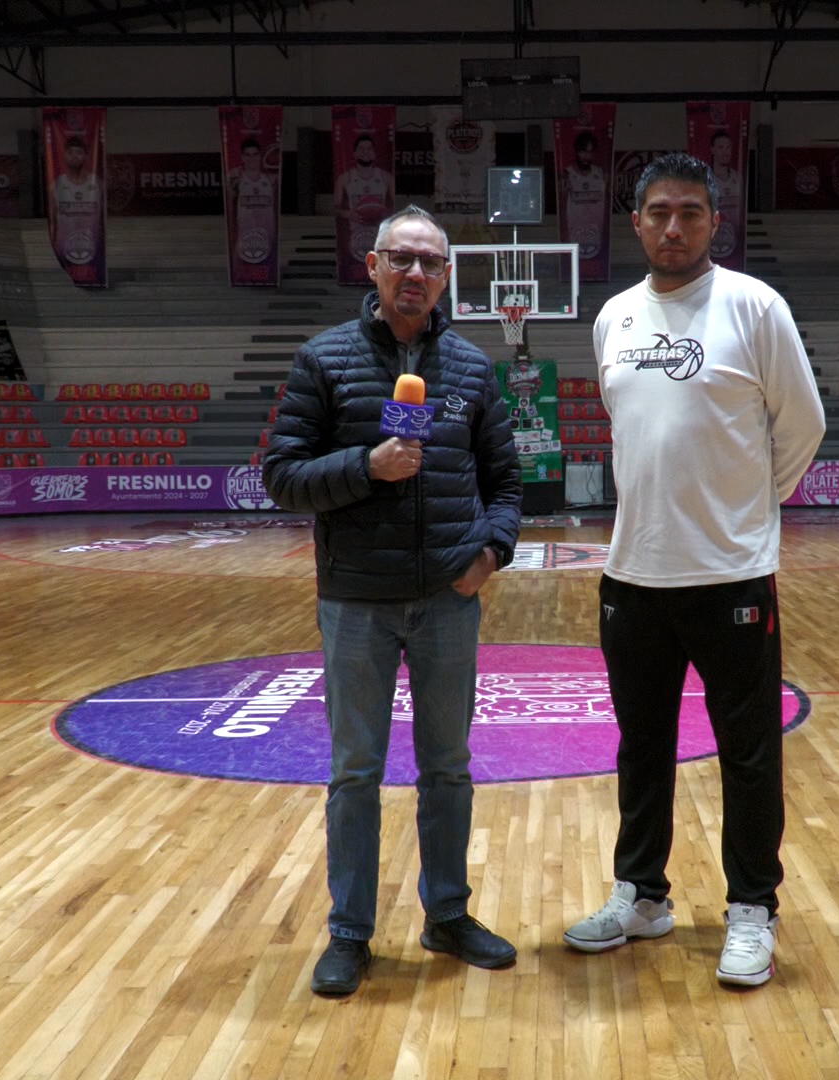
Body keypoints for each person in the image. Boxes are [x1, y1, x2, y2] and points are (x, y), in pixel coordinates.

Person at [565, 152, 825, 987]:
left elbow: (804, 426)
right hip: (632, 575)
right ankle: (642, 895)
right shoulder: (613, 317)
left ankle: (752, 908)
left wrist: (748, 511)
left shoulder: (755, 306)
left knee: (748, 752)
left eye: (689, 212)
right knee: (641, 747)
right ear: (635, 222)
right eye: (658, 212)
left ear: (715, 222)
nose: (672, 226)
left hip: (731, 577)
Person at [263, 204, 524, 996]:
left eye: (430, 263)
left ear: (446, 277)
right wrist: (365, 467)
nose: (415, 274)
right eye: (401, 259)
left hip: (447, 599)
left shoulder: (471, 369)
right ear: (372, 265)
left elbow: (506, 482)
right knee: (355, 773)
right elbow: (282, 477)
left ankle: (448, 915)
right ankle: (350, 932)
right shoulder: (323, 359)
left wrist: (490, 553)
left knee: (448, 768)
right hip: (356, 603)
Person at [333, 133, 392, 268]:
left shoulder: (386, 177)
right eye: (361, 149)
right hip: (355, 235)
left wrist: (384, 213)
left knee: (378, 268)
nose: (365, 152)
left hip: (379, 234)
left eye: (369, 148)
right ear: (355, 154)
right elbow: (336, 208)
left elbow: (395, 207)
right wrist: (349, 214)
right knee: (356, 268)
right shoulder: (344, 178)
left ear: (374, 153)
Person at [51, 134, 102, 267]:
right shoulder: (56, 184)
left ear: (86, 156)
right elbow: (52, 219)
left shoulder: (97, 183)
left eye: (79, 152)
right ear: (64, 155)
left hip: (93, 247)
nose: (74, 156)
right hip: (64, 249)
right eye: (70, 152)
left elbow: (103, 217)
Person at [562, 131, 609, 264]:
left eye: (589, 152)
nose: (586, 157)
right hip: (575, 233)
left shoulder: (600, 173)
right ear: (576, 152)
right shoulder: (567, 174)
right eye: (583, 152)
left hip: (596, 234)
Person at [230, 136, 276, 267]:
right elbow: (230, 208)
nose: (252, 158)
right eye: (248, 155)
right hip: (245, 236)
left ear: (260, 156)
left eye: (255, 154)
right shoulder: (235, 178)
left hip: (267, 236)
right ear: (242, 157)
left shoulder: (271, 179)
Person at [707, 130, 742, 260]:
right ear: (712, 150)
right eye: (721, 147)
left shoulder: (737, 178)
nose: (725, 151)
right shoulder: (704, 179)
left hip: (734, 238)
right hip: (710, 240)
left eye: (728, 147)